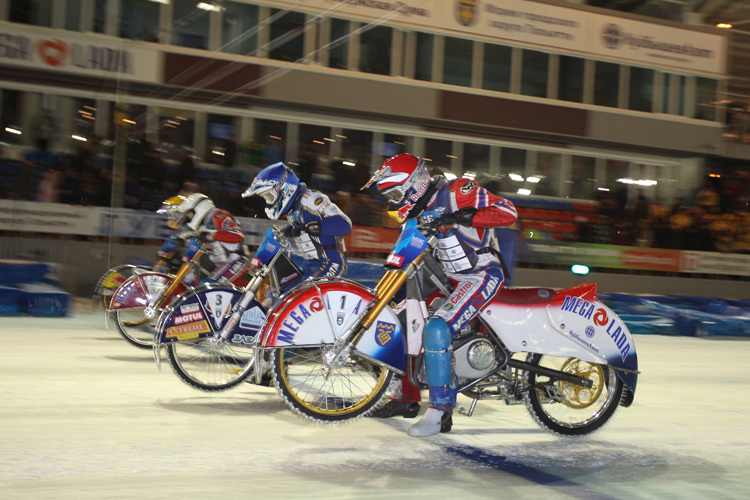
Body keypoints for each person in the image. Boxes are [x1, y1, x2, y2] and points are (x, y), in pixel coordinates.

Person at [363, 153, 518, 437]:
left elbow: (508, 212)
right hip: (446, 275)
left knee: (436, 328)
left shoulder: (458, 191)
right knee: (401, 320)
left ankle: (440, 411)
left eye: (395, 192)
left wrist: (466, 216)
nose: (393, 200)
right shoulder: (416, 210)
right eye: (389, 194)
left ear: (416, 183)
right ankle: (405, 397)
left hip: (480, 273)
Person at [243, 162, 352, 282]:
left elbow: (345, 224)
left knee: (305, 295)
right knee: (284, 290)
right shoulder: (293, 210)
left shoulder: (311, 199)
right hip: (309, 265)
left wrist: (307, 228)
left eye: (269, 196)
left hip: (331, 263)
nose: (269, 201)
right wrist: (288, 232)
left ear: (284, 188)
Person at [157, 192, 248, 285]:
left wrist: (211, 235)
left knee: (206, 286)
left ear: (198, 208)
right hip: (216, 265)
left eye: (190, 212)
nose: (188, 215)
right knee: (188, 284)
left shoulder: (218, 215)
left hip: (235, 261)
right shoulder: (198, 225)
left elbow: (238, 235)